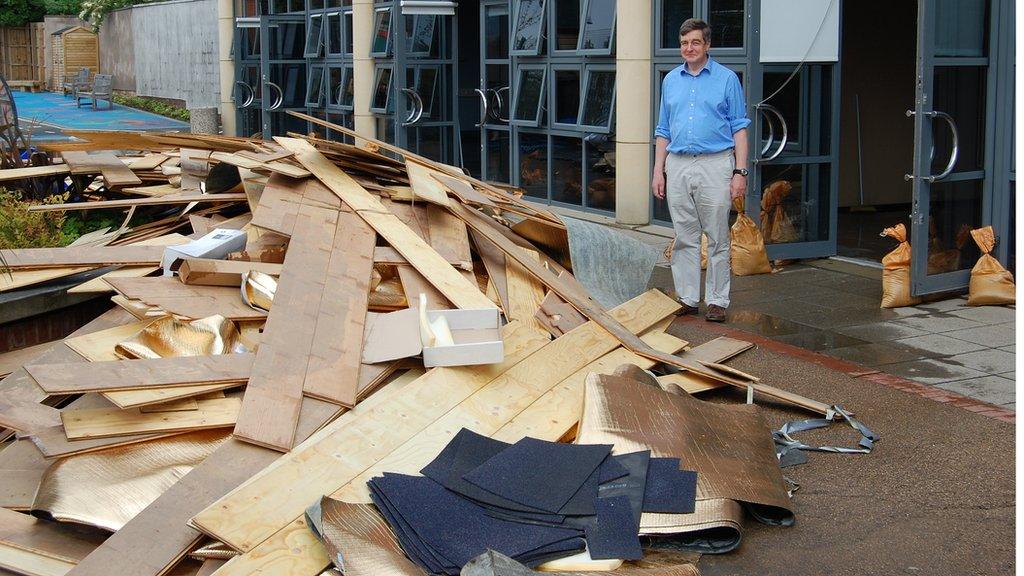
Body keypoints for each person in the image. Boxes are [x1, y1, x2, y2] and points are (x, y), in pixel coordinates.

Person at [652, 18, 750, 323]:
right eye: (684, 43)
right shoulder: (670, 81)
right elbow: (663, 129)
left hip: (715, 163)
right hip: (677, 163)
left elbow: (740, 128)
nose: (689, 48)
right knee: (684, 236)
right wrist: (658, 171)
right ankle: (689, 297)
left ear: (707, 45)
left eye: (695, 42)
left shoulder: (726, 79)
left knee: (718, 236)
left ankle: (718, 300)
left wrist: (740, 172)